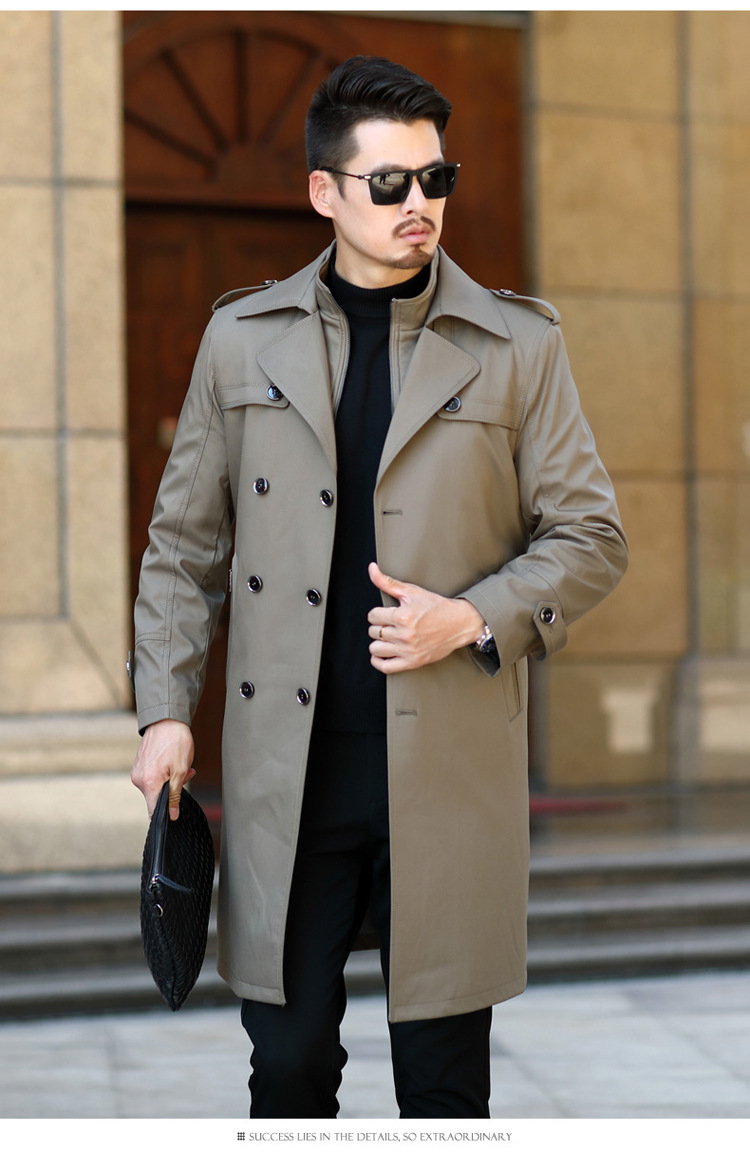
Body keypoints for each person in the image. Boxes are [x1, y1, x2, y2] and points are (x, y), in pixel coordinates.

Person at [130, 56, 628, 1119]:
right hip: (289, 777)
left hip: (449, 770)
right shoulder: (240, 338)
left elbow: (591, 536)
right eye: (391, 183)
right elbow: (183, 546)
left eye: (435, 180)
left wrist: (473, 616)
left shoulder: (518, 345)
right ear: (325, 191)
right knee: (289, 1067)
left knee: (443, 1086)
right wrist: (165, 712)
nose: (420, 205)